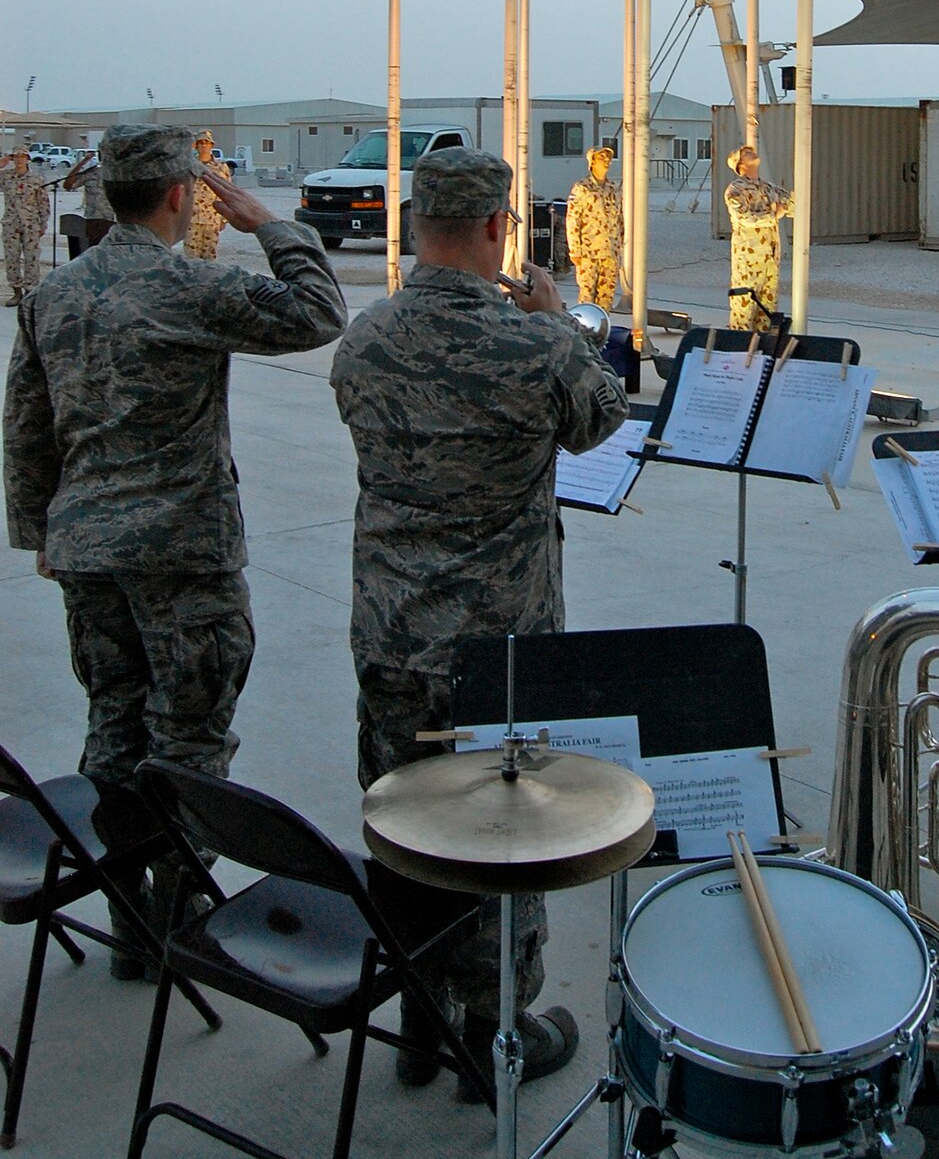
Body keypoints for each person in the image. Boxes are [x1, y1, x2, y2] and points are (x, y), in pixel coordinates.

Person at [3, 124, 347, 967]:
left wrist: (41, 529)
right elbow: (320, 313)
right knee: (190, 738)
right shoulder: (187, 288)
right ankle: (181, 909)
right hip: (181, 554)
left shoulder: (55, 293)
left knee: (113, 726)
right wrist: (271, 225)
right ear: (178, 195)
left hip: (88, 551)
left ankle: (128, 917)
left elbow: (25, 423)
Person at [331, 147, 628, 1094]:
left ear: (419, 226)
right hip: (499, 645)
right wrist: (562, 326)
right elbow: (603, 418)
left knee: (401, 817)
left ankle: (418, 1022)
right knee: (506, 828)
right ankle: (497, 1032)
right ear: (503, 229)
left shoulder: (363, 341)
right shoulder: (535, 348)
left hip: (390, 632)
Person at [724, 145, 792, 330]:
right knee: (744, 309)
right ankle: (739, 351)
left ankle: (763, 352)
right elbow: (745, 218)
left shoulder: (768, 187)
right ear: (740, 165)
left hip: (770, 258)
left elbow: (792, 204)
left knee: (767, 311)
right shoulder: (736, 190)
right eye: (746, 154)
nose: (752, 153)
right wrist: (774, 215)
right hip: (749, 259)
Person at [564, 145, 623, 307]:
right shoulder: (582, 188)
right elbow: (572, 220)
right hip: (588, 253)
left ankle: (603, 328)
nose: (606, 161)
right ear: (592, 162)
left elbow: (620, 219)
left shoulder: (614, 189)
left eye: (607, 158)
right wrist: (575, 250)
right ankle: (585, 329)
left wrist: (620, 248)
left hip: (610, 252)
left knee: (606, 297)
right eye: (601, 157)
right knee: (587, 296)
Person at [1, 147, 51, 304]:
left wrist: (43, 223)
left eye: (23, 156)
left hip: (31, 223)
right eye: (16, 156)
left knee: (32, 258)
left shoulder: (36, 179)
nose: (19, 159)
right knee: (12, 258)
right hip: (11, 223)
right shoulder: (6, 177)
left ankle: (30, 292)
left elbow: (43, 202)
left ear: (28, 158)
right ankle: (16, 291)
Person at [183, 129, 232, 261]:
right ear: (196, 146)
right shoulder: (188, 166)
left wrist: (224, 219)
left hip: (212, 219)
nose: (204, 145)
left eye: (206, 142)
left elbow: (227, 193)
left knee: (210, 259)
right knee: (191, 259)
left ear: (212, 145)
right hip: (191, 219)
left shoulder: (221, 167)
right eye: (200, 143)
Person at [62, 148, 114, 257]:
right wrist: (82, 163)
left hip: (109, 220)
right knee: (91, 255)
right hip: (91, 220)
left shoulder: (116, 175)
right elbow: (68, 185)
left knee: (106, 256)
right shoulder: (91, 173)